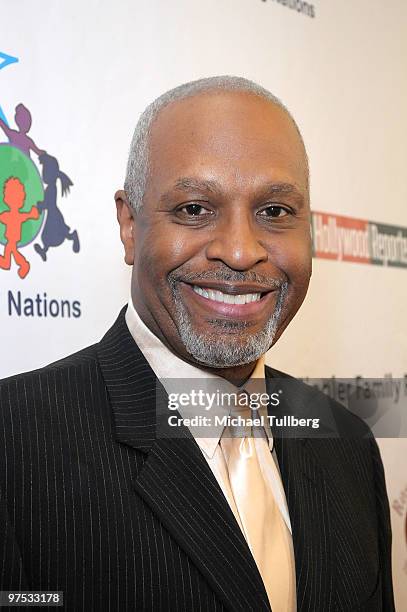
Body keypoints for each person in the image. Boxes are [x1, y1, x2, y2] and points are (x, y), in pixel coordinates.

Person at [0, 76, 394, 611]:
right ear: (129, 225)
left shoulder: (347, 443)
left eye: (274, 212)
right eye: (194, 209)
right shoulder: (14, 444)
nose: (239, 251)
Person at [0, 176, 39, 278]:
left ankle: (22, 265)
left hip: (12, 240)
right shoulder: (10, 215)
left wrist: (33, 214)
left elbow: (29, 216)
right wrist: (32, 214)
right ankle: (20, 264)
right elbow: (29, 215)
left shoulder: (10, 215)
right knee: (12, 252)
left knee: (12, 251)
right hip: (12, 240)